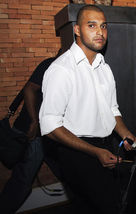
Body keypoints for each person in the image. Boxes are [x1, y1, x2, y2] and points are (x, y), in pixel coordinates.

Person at [39, 5, 136, 214]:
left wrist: (125, 133)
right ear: (77, 30)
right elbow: (49, 125)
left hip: (104, 146)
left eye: (103, 26)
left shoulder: (104, 67)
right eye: (91, 25)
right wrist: (94, 152)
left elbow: (112, 109)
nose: (100, 32)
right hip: (76, 151)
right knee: (111, 206)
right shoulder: (61, 69)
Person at [0, 56, 62, 214]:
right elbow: (29, 89)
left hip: (51, 132)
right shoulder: (51, 64)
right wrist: (34, 122)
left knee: (69, 172)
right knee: (22, 180)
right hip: (35, 132)